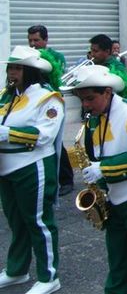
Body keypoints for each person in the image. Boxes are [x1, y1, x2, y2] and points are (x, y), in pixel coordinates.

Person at [66, 65, 127, 294]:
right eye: (82, 100)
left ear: (107, 92)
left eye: (90, 98)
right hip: (113, 196)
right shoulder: (96, 118)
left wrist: (103, 169)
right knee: (117, 257)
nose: (85, 105)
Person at [0, 46, 65, 294]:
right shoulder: (7, 95)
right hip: (6, 168)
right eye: (10, 68)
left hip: (32, 166)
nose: (12, 73)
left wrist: (9, 134)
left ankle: (49, 276)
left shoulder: (48, 97)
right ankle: (17, 270)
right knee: (15, 221)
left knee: (39, 222)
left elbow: (45, 136)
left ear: (31, 71)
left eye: (17, 68)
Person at [27, 25, 74, 197]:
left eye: (36, 40)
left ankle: (66, 180)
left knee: (56, 141)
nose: (33, 44)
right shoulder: (27, 56)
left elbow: (56, 76)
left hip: (52, 102)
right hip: (33, 103)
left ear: (45, 40)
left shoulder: (55, 57)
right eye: (30, 40)